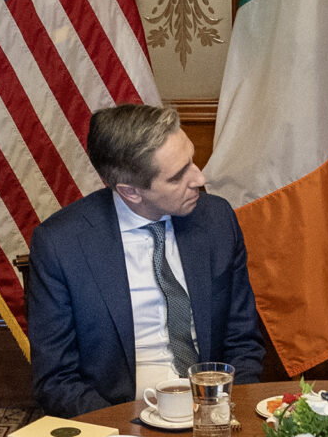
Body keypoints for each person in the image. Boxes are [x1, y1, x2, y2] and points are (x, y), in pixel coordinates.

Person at [27, 103, 268, 416]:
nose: (198, 178)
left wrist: (230, 413)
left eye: (192, 161)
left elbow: (243, 341)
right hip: (120, 417)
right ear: (131, 192)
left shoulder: (216, 220)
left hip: (215, 410)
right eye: (178, 176)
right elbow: (56, 380)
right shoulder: (61, 245)